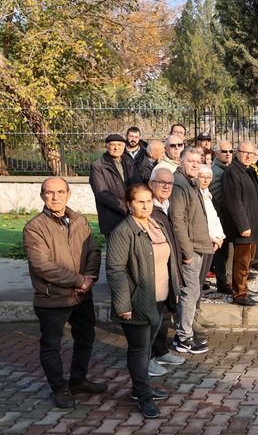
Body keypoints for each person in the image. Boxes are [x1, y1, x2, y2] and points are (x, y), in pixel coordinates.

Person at [23, 177, 105, 409]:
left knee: (85, 338)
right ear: (42, 196)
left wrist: (88, 280)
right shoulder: (34, 227)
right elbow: (42, 265)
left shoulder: (79, 220)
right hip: (53, 298)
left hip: (82, 296)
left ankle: (78, 380)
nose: (55, 197)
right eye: (49, 193)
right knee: (52, 345)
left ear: (69, 194)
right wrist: (79, 280)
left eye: (60, 192)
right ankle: (59, 388)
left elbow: (94, 251)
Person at [106, 184, 180, 419]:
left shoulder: (155, 225)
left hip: (158, 297)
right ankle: (143, 397)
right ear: (129, 205)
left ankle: (143, 388)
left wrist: (174, 291)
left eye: (148, 200)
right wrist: (123, 305)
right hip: (137, 300)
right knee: (139, 350)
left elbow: (169, 260)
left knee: (147, 348)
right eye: (140, 201)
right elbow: (115, 270)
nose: (146, 205)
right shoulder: (123, 232)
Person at [168, 148, 211, 354]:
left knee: (193, 293)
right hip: (190, 248)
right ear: (181, 162)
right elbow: (178, 221)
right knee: (189, 292)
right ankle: (185, 338)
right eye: (191, 161)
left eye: (198, 161)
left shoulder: (190, 183)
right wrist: (187, 252)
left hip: (198, 244)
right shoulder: (180, 185)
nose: (195, 165)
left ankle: (183, 333)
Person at [145, 168, 186, 378]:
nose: (166, 186)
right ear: (151, 184)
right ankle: (148, 359)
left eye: (169, 183)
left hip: (169, 269)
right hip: (155, 274)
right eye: (161, 182)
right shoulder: (148, 208)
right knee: (153, 318)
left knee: (165, 313)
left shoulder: (167, 205)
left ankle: (161, 351)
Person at [221, 141, 258, 306]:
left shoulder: (248, 170)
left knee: (247, 261)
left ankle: (243, 290)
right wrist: (243, 225)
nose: (248, 156)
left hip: (252, 223)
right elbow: (233, 201)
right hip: (244, 226)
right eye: (244, 152)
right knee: (241, 262)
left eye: (251, 153)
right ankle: (239, 294)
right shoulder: (232, 171)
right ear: (237, 152)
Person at [90, 133, 142, 236]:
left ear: (124, 147)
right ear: (107, 146)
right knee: (115, 249)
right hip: (112, 218)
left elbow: (138, 185)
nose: (116, 148)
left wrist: (136, 205)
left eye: (119, 145)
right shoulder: (98, 166)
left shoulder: (129, 162)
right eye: (113, 145)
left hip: (132, 215)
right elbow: (102, 194)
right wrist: (125, 208)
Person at [210, 140, 233, 294]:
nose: (228, 154)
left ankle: (227, 280)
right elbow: (220, 196)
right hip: (221, 218)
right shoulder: (215, 171)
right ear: (216, 153)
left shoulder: (226, 168)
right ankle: (222, 282)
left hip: (227, 217)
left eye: (231, 151)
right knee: (222, 253)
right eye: (224, 151)